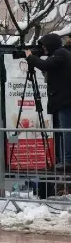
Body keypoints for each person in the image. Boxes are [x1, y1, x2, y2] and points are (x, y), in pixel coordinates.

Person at [26, 33, 71, 169]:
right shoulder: (61, 54)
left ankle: (68, 160)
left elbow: (45, 66)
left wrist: (31, 57)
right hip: (62, 100)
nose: (43, 50)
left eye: (44, 47)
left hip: (65, 101)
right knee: (63, 131)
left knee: (66, 131)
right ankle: (64, 158)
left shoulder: (61, 54)